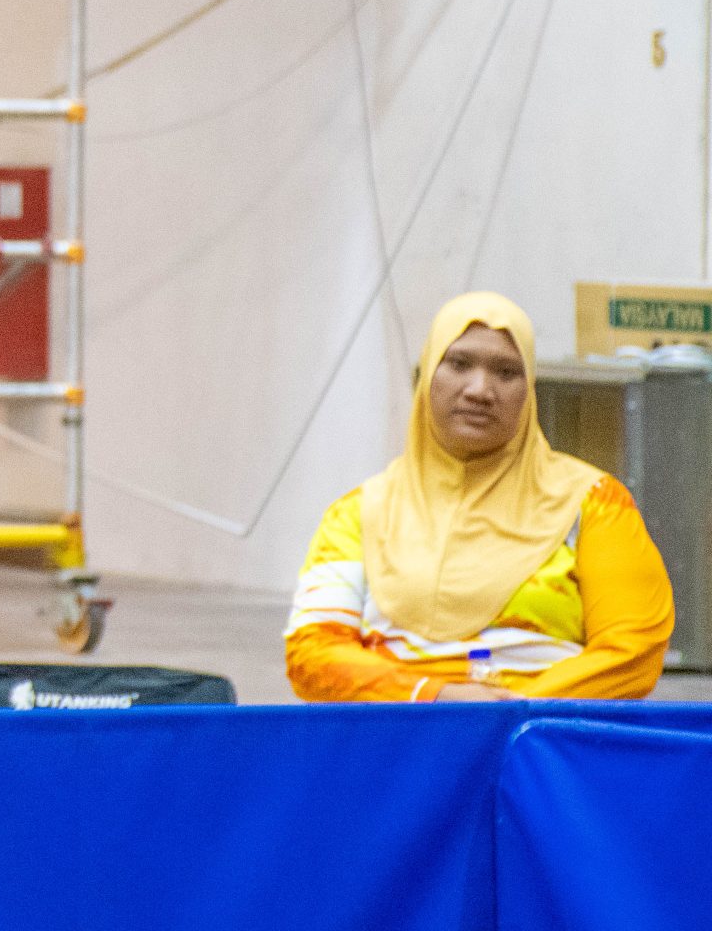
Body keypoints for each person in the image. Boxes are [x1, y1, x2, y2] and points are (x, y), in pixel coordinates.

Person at [285, 290, 672, 703]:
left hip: (541, 732)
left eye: (506, 372)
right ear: (426, 375)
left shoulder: (591, 503)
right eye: (458, 364)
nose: (480, 390)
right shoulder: (361, 513)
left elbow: (632, 649)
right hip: (402, 732)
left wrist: (512, 712)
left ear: (529, 391)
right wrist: (433, 696)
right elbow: (313, 652)